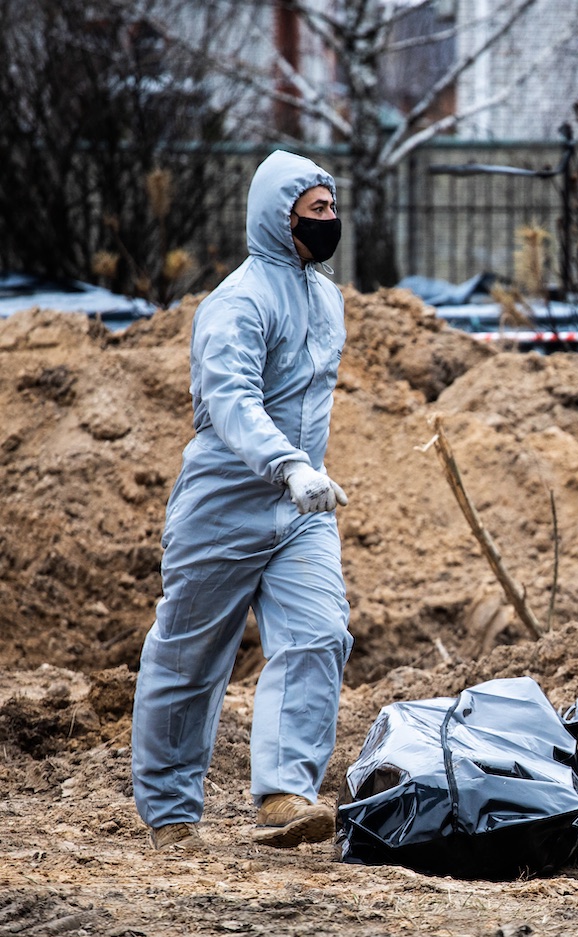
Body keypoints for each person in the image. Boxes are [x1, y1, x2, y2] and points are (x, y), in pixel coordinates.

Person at [131, 150, 353, 851]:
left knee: (321, 633)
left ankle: (286, 793)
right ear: (276, 217)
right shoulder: (237, 302)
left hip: (301, 507)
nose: (330, 221)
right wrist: (287, 465)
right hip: (225, 503)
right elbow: (229, 400)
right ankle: (169, 810)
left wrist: (302, 476)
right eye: (316, 211)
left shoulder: (328, 300)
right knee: (190, 658)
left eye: (331, 208)